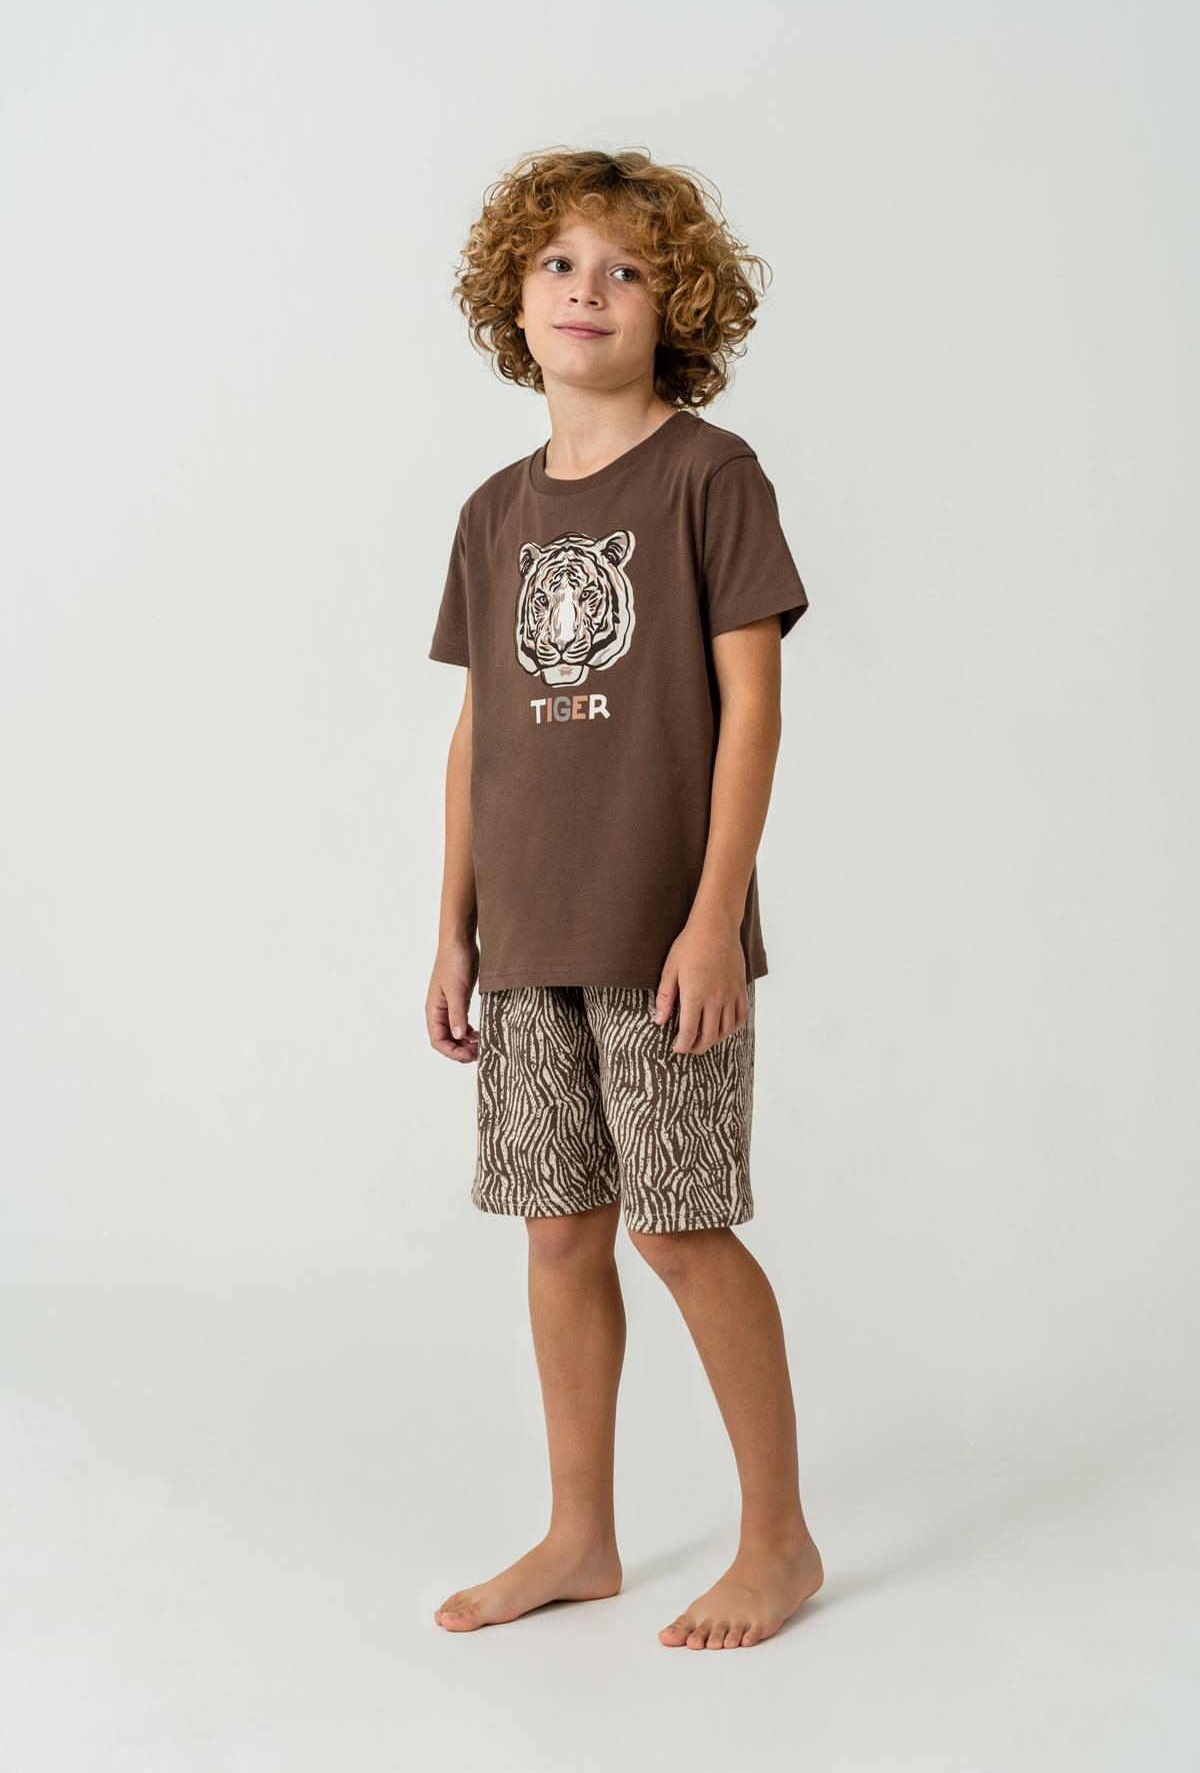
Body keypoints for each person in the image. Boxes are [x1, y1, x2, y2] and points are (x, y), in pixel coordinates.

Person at [425, 148, 823, 1650]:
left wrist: (716, 920)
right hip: (527, 938)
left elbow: (753, 710)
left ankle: (778, 1543)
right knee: (558, 1233)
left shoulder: (711, 477)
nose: (585, 289)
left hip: (666, 939)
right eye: (557, 265)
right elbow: (478, 731)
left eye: (625, 268)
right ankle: (579, 1536)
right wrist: (452, 928)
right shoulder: (493, 513)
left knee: (682, 1230)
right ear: (514, 300)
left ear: (677, 305)